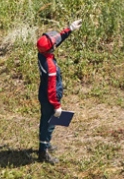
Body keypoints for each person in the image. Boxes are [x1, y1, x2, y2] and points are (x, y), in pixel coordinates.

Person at [37, 19, 82, 164]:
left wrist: (69, 29)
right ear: (51, 48)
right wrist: (56, 105)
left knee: (47, 121)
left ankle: (46, 143)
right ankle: (43, 151)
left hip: (43, 95)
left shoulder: (42, 54)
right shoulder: (50, 66)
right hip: (50, 98)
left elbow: (55, 42)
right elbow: (51, 90)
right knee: (49, 123)